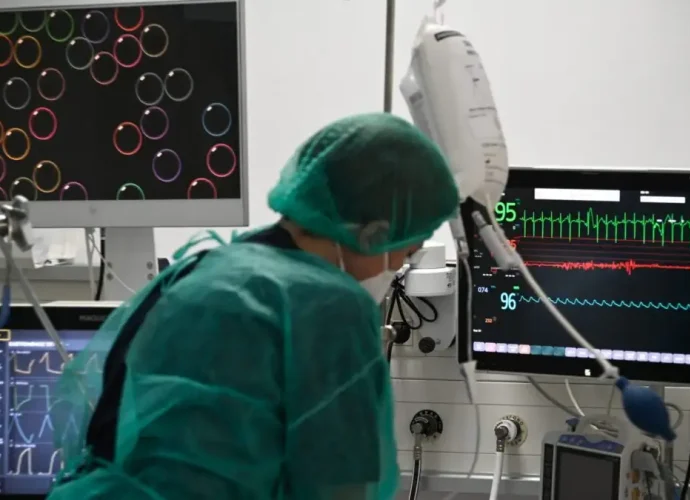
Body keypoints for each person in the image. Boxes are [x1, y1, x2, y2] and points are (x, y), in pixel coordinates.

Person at [48, 112, 460, 499]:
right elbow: (341, 484)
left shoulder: (204, 268)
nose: (396, 269)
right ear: (374, 235)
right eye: (405, 253)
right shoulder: (329, 308)